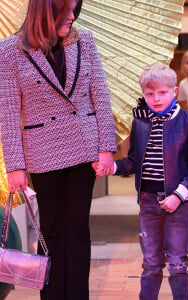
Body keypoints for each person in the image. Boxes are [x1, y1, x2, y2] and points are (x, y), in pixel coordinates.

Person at [0, 0, 117, 299]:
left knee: (78, 230)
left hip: (84, 147)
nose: (72, 18)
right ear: (44, 13)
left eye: (74, 11)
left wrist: (106, 148)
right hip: (43, 153)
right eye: (64, 13)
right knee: (51, 232)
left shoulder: (85, 40)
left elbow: (100, 96)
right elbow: (9, 112)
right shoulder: (10, 50)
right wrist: (14, 165)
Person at [97, 63, 188, 300]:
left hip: (178, 204)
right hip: (148, 202)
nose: (156, 98)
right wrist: (113, 166)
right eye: (150, 94)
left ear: (174, 91)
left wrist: (179, 195)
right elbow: (134, 161)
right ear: (143, 94)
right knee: (150, 264)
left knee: (177, 263)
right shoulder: (141, 123)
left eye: (162, 92)